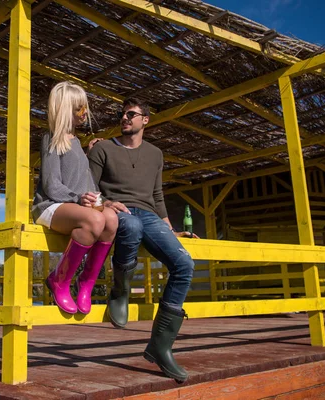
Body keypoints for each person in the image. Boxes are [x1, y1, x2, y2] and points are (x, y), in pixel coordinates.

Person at [87, 98, 198, 383]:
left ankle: (160, 346)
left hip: (149, 215)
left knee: (184, 263)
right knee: (131, 225)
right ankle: (120, 291)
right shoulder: (102, 148)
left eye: (131, 114)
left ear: (145, 120)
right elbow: (87, 189)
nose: (124, 118)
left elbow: (158, 197)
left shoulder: (156, 154)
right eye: (122, 114)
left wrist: (170, 231)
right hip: (117, 211)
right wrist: (106, 203)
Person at [32, 81, 118, 315]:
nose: (85, 113)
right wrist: (78, 199)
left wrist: (102, 203)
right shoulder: (51, 138)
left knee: (110, 219)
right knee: (95, 221)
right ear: (66, 108)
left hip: (75, 206)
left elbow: (86, 186)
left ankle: (86, 283)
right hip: (50, 205)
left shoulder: (78, 145)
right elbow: (51, 185)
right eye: (80, 107)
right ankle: (60, 279)